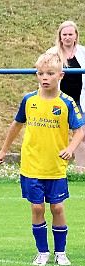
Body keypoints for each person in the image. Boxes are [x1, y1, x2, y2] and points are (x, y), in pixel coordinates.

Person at [0, 53, 84, 266]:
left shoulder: (66, 103)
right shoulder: (29, 100)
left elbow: (80, 130)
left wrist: (70, 149)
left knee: (58, 208)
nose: (44, 78)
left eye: (50, 74)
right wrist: (4, 150)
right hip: (31, 165)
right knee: (37, 208)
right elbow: (16, 125)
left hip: (55, 167)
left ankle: (60, 252)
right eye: (41, 73)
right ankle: (42, 252)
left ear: (60, 76)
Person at [47, 20, 85, 172]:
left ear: (76, 36)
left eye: (70, 34)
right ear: (60, 36)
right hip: (58, 100)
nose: (68, 37)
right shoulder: (51, 53)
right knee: (52, 134)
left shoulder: (83, 52)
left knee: (82, 134)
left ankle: (80, 170)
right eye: (65, 35)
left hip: (79, 101)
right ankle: (52, 168)